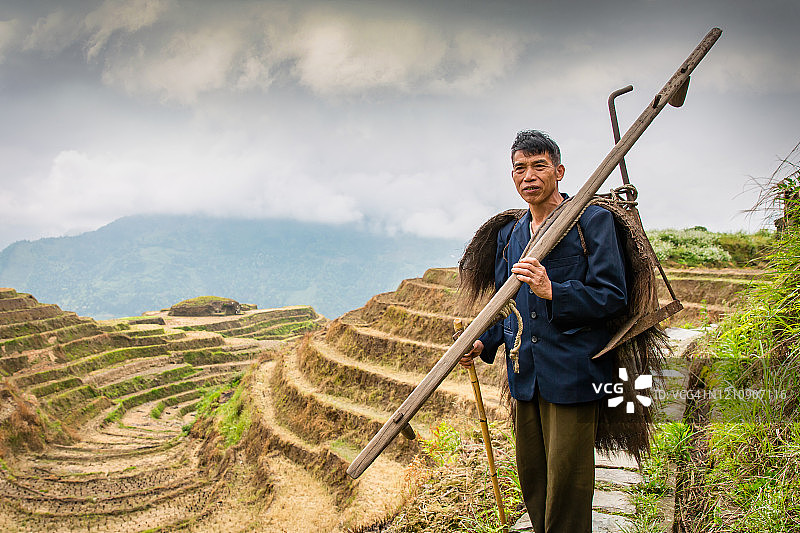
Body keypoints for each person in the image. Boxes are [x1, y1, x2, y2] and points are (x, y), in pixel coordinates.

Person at [459, 130, 628, 533]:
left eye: (539, 166)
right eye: (520, 168)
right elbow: (505, 304)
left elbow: (613, 296)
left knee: (568, 483)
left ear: (559, 171)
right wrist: (483, 341)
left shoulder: (591, 221)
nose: (529, 176)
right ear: (512, 176)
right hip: (526, 374)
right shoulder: (511, 233)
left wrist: (554, 290)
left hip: (573, 372)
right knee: (534, 477)